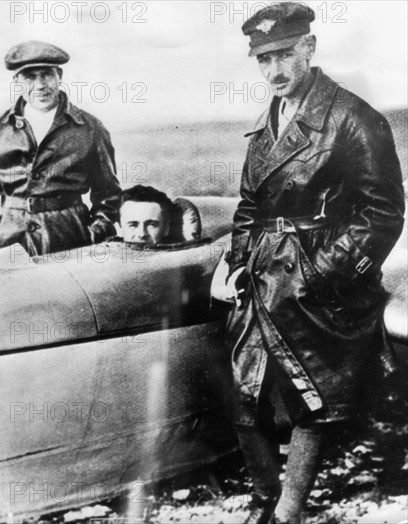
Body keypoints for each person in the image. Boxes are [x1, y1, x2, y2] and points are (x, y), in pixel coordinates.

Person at [225, 3, 405, 523]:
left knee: (313, 397)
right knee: (244, 388)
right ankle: (265, 498)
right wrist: (237, 261)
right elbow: (248, 205)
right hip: (262, 271)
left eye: (284, 54)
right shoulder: (269, 121)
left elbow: (382, 214)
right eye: (263, 60)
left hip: (315, 275)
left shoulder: (353, 117)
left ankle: (287, 511)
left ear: (309, 47)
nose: (274, 70)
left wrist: (321, 273)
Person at [0, 40, 121, 260]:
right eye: (29, 77)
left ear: (59, 76)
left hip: (69, 236)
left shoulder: (90, 128)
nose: (40, 85)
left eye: (46, 74)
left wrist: (94, 232)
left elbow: (108, 193)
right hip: (7, 238)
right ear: (17, 81)